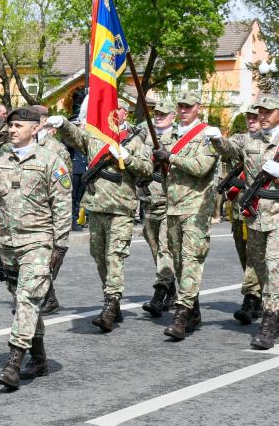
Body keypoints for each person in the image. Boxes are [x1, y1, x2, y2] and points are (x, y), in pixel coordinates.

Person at [0, 106, 71, 390]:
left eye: (19, 126)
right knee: (23, 303)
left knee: (27, 299)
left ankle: (14, 362)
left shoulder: (50, 159)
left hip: (38, 241)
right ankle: (40, 357)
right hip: (8, 243)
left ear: (35, 128)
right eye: (10, 126)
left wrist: (60, 248)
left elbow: (62, 206)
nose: (12, 130)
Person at [48, 105, 151, 332]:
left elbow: (147, 169)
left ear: (126, 114)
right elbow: (77, 137)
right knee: (99, 256)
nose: (114, 112)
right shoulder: (96, 137)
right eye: (111, 108)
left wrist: (128, 158)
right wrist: (63, 123)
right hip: (96, 206)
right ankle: (112, 297)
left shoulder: (135, 141)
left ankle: (110, 303)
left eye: (120, 109)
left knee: (114, 255)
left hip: (121, 207)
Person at [209, 95, 279, 348]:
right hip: (255, 214)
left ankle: (270, 321)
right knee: (259, 268)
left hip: (278, 213)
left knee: (273, 267)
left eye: (268, 111)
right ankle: (271, 306)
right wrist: (216, 138)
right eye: (260, 111)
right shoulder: (250, 139)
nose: (263, 115)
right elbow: (229, 149)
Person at [152, 91, 218, 340]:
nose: (183, 110)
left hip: (196, 207)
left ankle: (180, 316)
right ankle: (194, 310)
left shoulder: (208, 135)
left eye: (188, 106)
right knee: (179, 263)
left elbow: (201, 168)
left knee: (191, 260)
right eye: (180, 106)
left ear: (197, 108)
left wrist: (171, 156)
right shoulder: (169, 135)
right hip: (173, 206)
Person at [223, 107, 264, 324]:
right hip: (240, 207)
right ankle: (256, 297)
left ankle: (249, 298)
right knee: (243, 253)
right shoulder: (240, 138)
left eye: (255, 117)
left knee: (254, 255)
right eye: (248, 117)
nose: (251, 120)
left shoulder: (270, 142)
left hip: (260, 208)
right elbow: (227, 149)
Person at [137, 103, 178, 316]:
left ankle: (159, 294)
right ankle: (171, 293)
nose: (159, 117)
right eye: (157, 114)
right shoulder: (144, 138)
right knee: (156, 252)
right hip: (149, 202)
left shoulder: (179, 137)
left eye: (163, 114)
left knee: (165, 249)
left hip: (168, 202)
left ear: (173, 116)